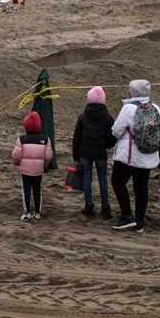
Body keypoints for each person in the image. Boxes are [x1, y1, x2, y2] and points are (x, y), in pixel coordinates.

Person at [110, 80, 160, 232]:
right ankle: (140, 221)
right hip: (148, 155)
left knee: (118, 182)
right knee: (141, 187)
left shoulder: (128, 108)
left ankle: (127, 215)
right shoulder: (156, 108)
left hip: (129, 155)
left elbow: (116, 131)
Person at [71, 86, 116, 219]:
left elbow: (76, 138)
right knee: (103, 179)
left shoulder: (83, 117)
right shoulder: (108, 118)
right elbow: (113, 135)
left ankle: (89, 205)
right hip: (100, 153)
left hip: (86, 152)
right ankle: (105, 207)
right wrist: (107, 145)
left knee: (87, 178)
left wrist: (76, 155)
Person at [11, 111, 54, 221]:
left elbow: (16, 156)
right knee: (37, 190)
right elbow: (49, 156)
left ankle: (27, 212)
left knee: (26, 190)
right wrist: (44, 165)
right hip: (38, 170)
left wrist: (17, 163)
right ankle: (38, 213)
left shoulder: (21, 139)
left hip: (25, 170)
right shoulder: (45, 139)